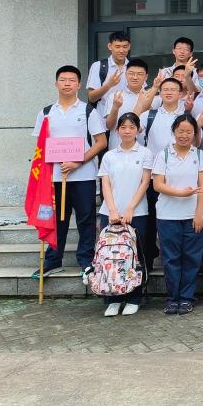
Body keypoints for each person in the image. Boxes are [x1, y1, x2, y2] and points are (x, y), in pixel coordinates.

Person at [31, 66, 108, 282]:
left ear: (79, 85)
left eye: (72, 80)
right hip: (54, 177)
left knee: (86, 219)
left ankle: (86, 261)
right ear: (56, 83)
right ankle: (53, 261)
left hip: (83, 176)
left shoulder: (88, 111)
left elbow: (101, 142)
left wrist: (78, 161)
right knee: (57, 221)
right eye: (63, 80)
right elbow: (40, 146)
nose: (67, 83)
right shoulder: (46, 112)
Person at [151, 113, 203, 315]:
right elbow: (157, 185)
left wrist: (199, 213)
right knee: (170, 259)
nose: (184, 135)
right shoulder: (163, 155)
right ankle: (172, 298)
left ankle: (186, 298)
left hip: (192, 216)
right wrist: (180, 193)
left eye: (189, 131)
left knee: (192, 259)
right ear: (174, 132)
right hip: (167, 216)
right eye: (181, 131)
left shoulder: (199, 155)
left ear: (195, 133)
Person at [96, 112, 152, 317]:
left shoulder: (145, 153)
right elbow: (105, 183)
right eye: (123, 127)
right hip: (110, 213)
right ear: (117, 130)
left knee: (135, 257)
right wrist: (112, 210)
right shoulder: (109, 156)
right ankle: (112, 299)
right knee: (110, 256)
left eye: (131, 127)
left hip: (137, 213)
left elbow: (145, 183)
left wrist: (130, 208)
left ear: (138, 130)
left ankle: (134, 298)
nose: (127, 131)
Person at [140, 77, 187, 271]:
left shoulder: (187, 114)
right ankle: (148, 260)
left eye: (173, 89)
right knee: (150, 220)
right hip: (154, 177)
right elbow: (131, 121)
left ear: (180, 93)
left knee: (179, 220)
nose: (168, 92)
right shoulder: (149, 115)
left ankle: (179, 261)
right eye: (165, 89)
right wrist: (152, 89)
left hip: (180, 177)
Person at [101, 58, 158, 131]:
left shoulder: (154, 98)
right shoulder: (115, 96)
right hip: (118, 138)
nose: (135, 77)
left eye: (140, 74)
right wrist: (115, 107)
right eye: (131, 73)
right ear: (125, 74)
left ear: (146, 77)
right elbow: (109, 126)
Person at [87, 31, 131, 105]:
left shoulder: (133, 67)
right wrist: (109, 85)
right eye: (117, 47)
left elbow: (141, 91)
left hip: (129, 111)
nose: (121, 50)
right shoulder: (98, 66)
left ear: (129, 46)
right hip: (103, 112)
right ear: (110, 46)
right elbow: (91, 97)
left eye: (125, 47)